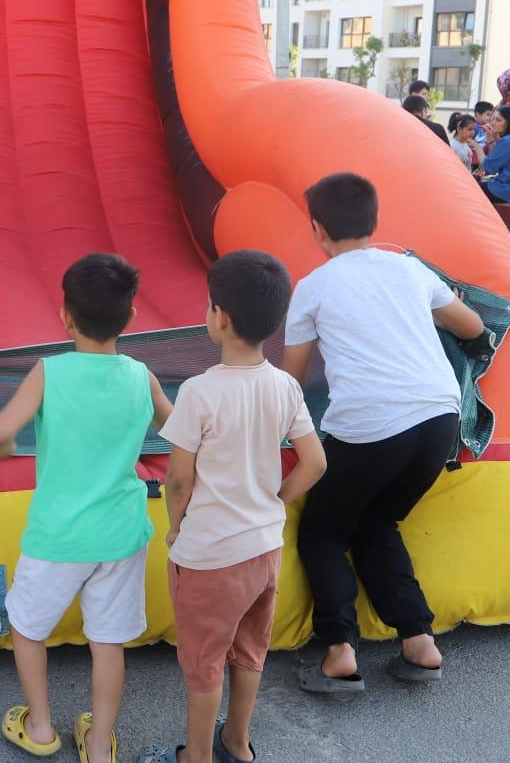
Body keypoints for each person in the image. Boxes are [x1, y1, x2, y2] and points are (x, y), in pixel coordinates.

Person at [282, 173, 484, 694]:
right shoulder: (410, 269)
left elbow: (291, 381)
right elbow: (472, 328)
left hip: (369, 426)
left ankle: (339, 651)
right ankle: (419, 641)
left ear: (317, 229)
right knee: (377, 522)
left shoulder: (313, 287)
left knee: (323, 530)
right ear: (375, 221)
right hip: (439, 420)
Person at [137, 251, 326, 763]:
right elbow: (315, 462)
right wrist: (275, 500)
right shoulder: (285, 386)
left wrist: (176, 527)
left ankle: (195, 756)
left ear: (219, 317)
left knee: (204, 665)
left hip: (210, 556)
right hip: (263, 549)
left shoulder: (198, 392)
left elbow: (179, 480)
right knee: (249, 651)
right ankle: (237, 744)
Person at [0, 253, 173, 763]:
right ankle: (98, 744)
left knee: (27, 628)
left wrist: (2, 448)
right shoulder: (141, 376)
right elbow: (177, 429)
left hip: (58, 536)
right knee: (107, 643)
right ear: (130, 318)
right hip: (121, 534)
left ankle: (41, 727)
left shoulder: (50, 372)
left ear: (65, 317)